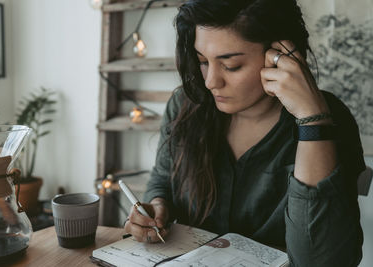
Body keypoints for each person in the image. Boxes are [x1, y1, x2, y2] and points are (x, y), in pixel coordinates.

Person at [123, 0, 366, 265]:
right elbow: (163, 178)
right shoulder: (186, 105)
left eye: (231, 66)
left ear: (281, 55)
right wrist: (157, 206)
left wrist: (312, 123)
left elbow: (322, 260)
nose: (210, 81)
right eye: (203, 61)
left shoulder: (330, 120)